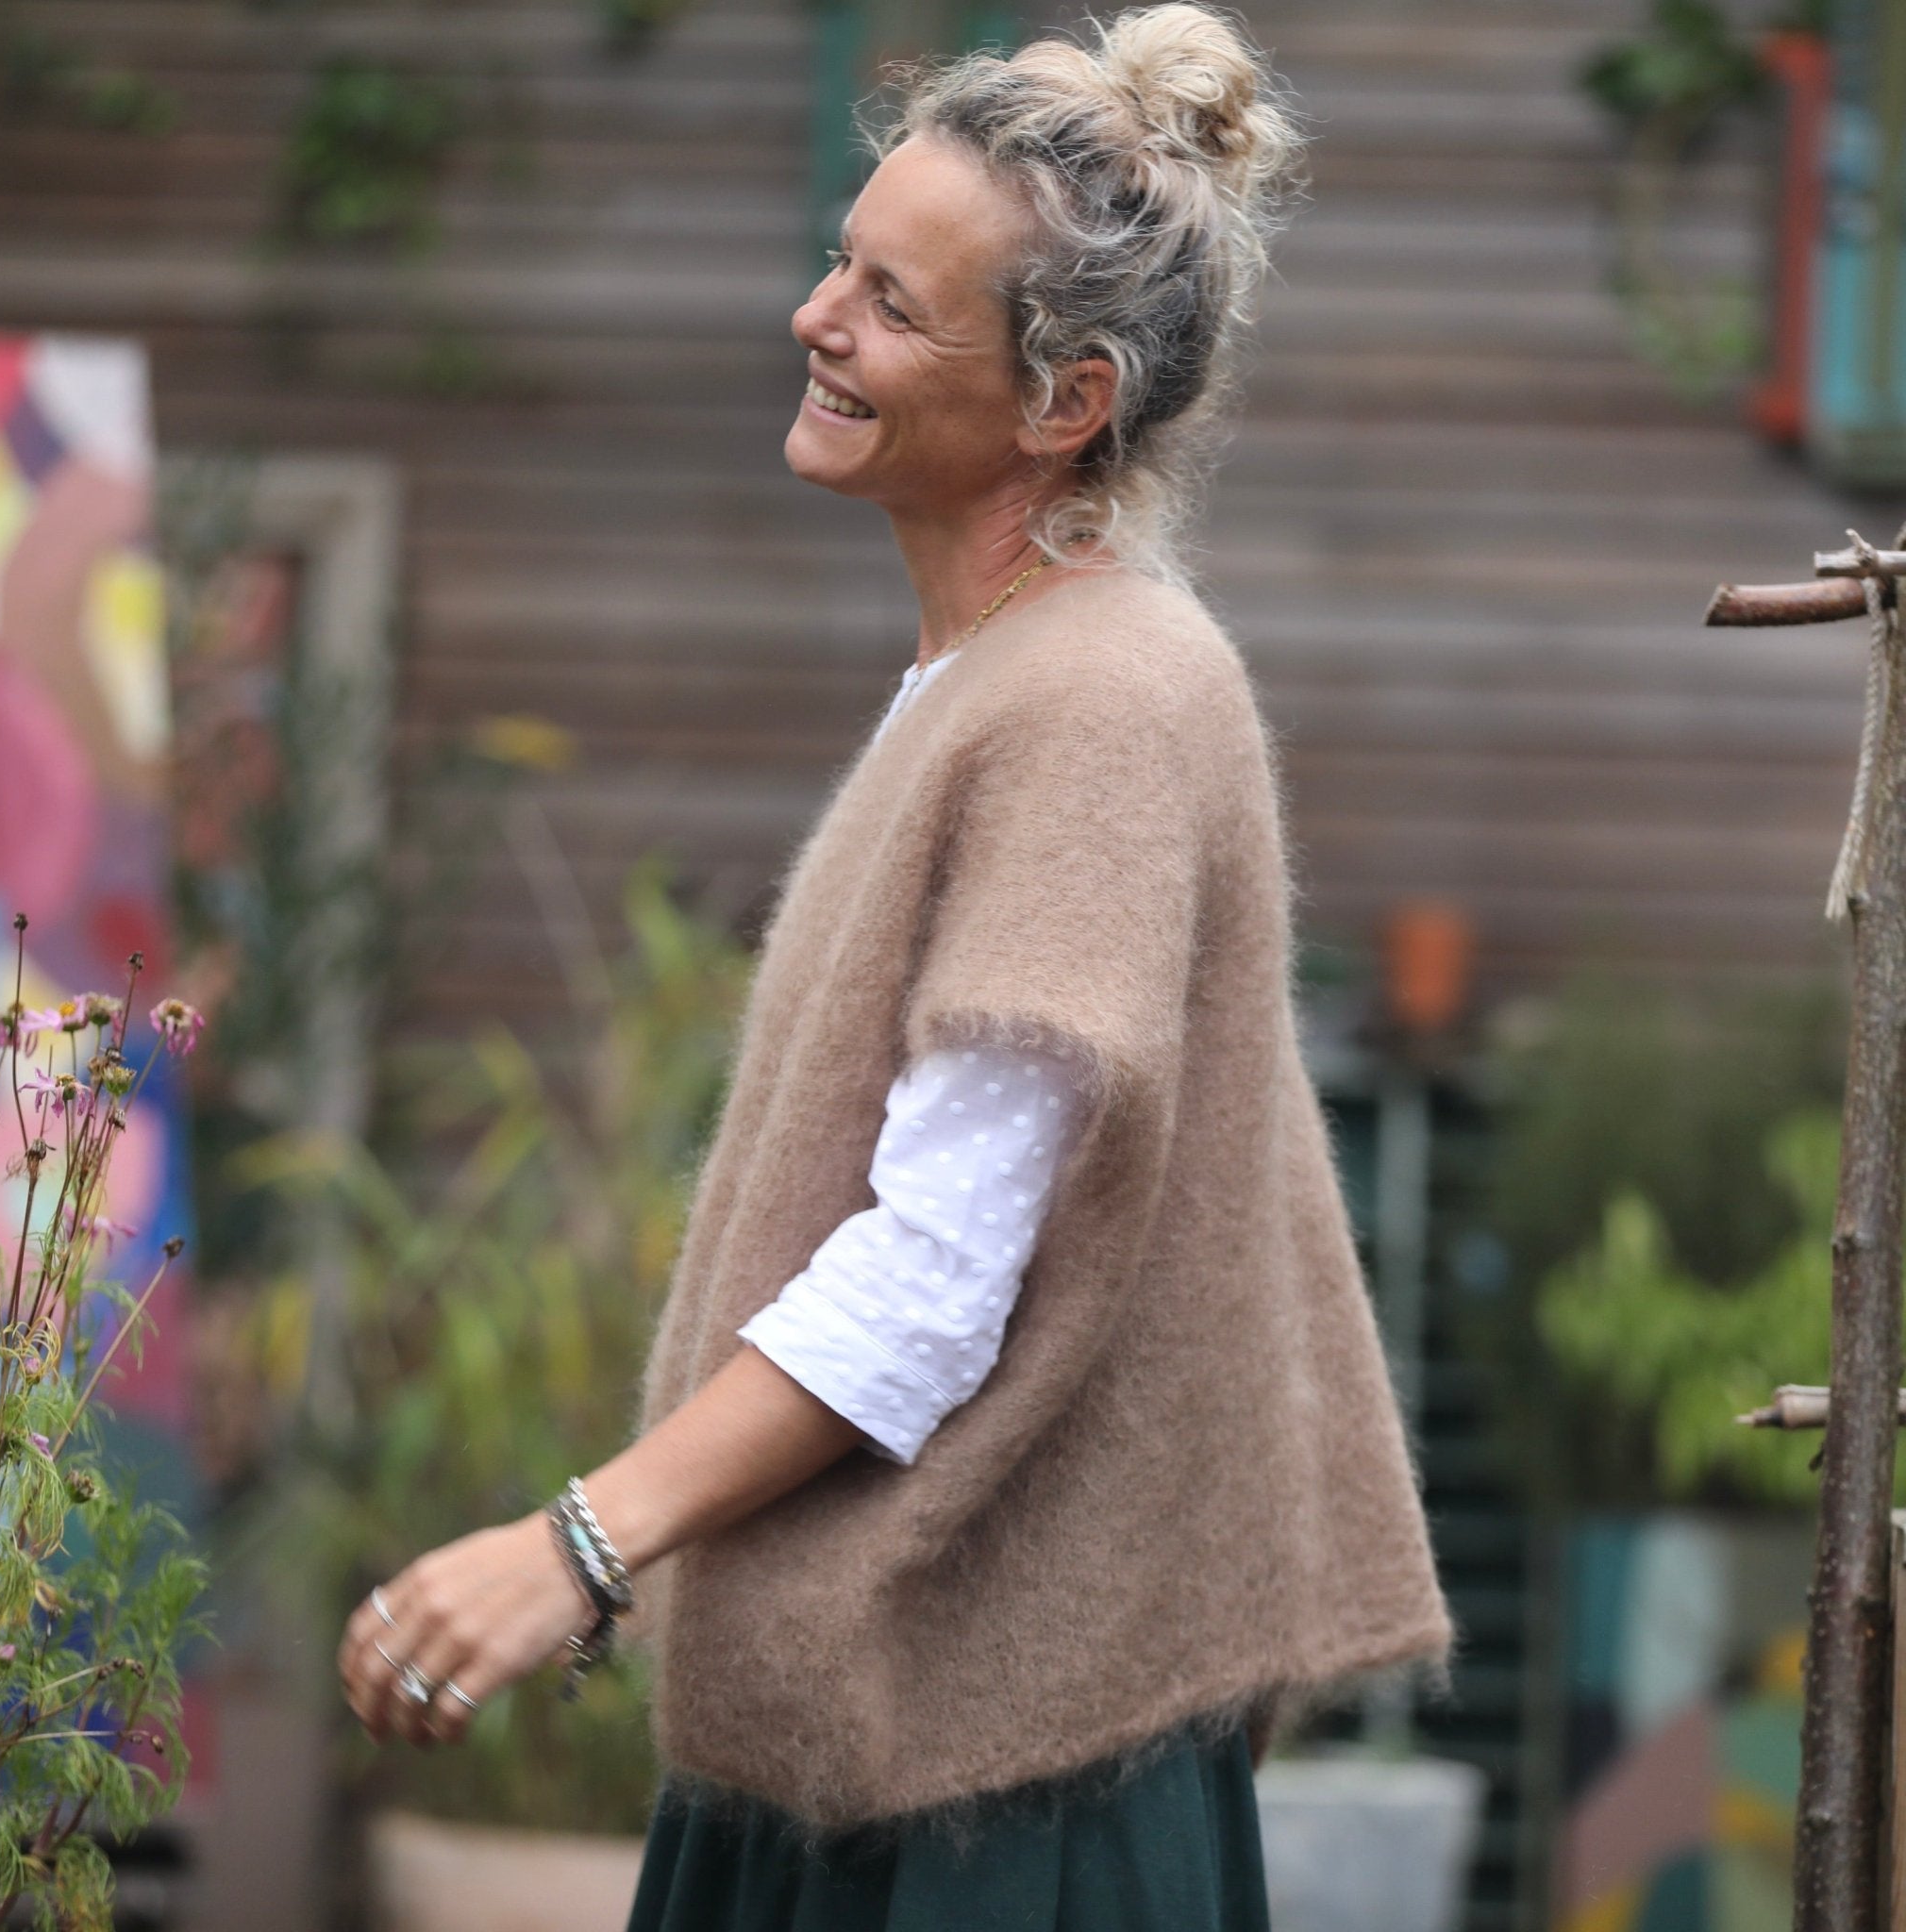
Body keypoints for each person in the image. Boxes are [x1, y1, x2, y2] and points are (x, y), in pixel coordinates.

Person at [337, 7, 1459, 1926]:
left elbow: (938, 1275)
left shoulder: (1100, 701)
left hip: (994, 1802)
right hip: (908, 1743)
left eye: (890, 304)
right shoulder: (1011, 676)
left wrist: (580, 1545)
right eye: (838, 265)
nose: (814, 320)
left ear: (1062, 400)